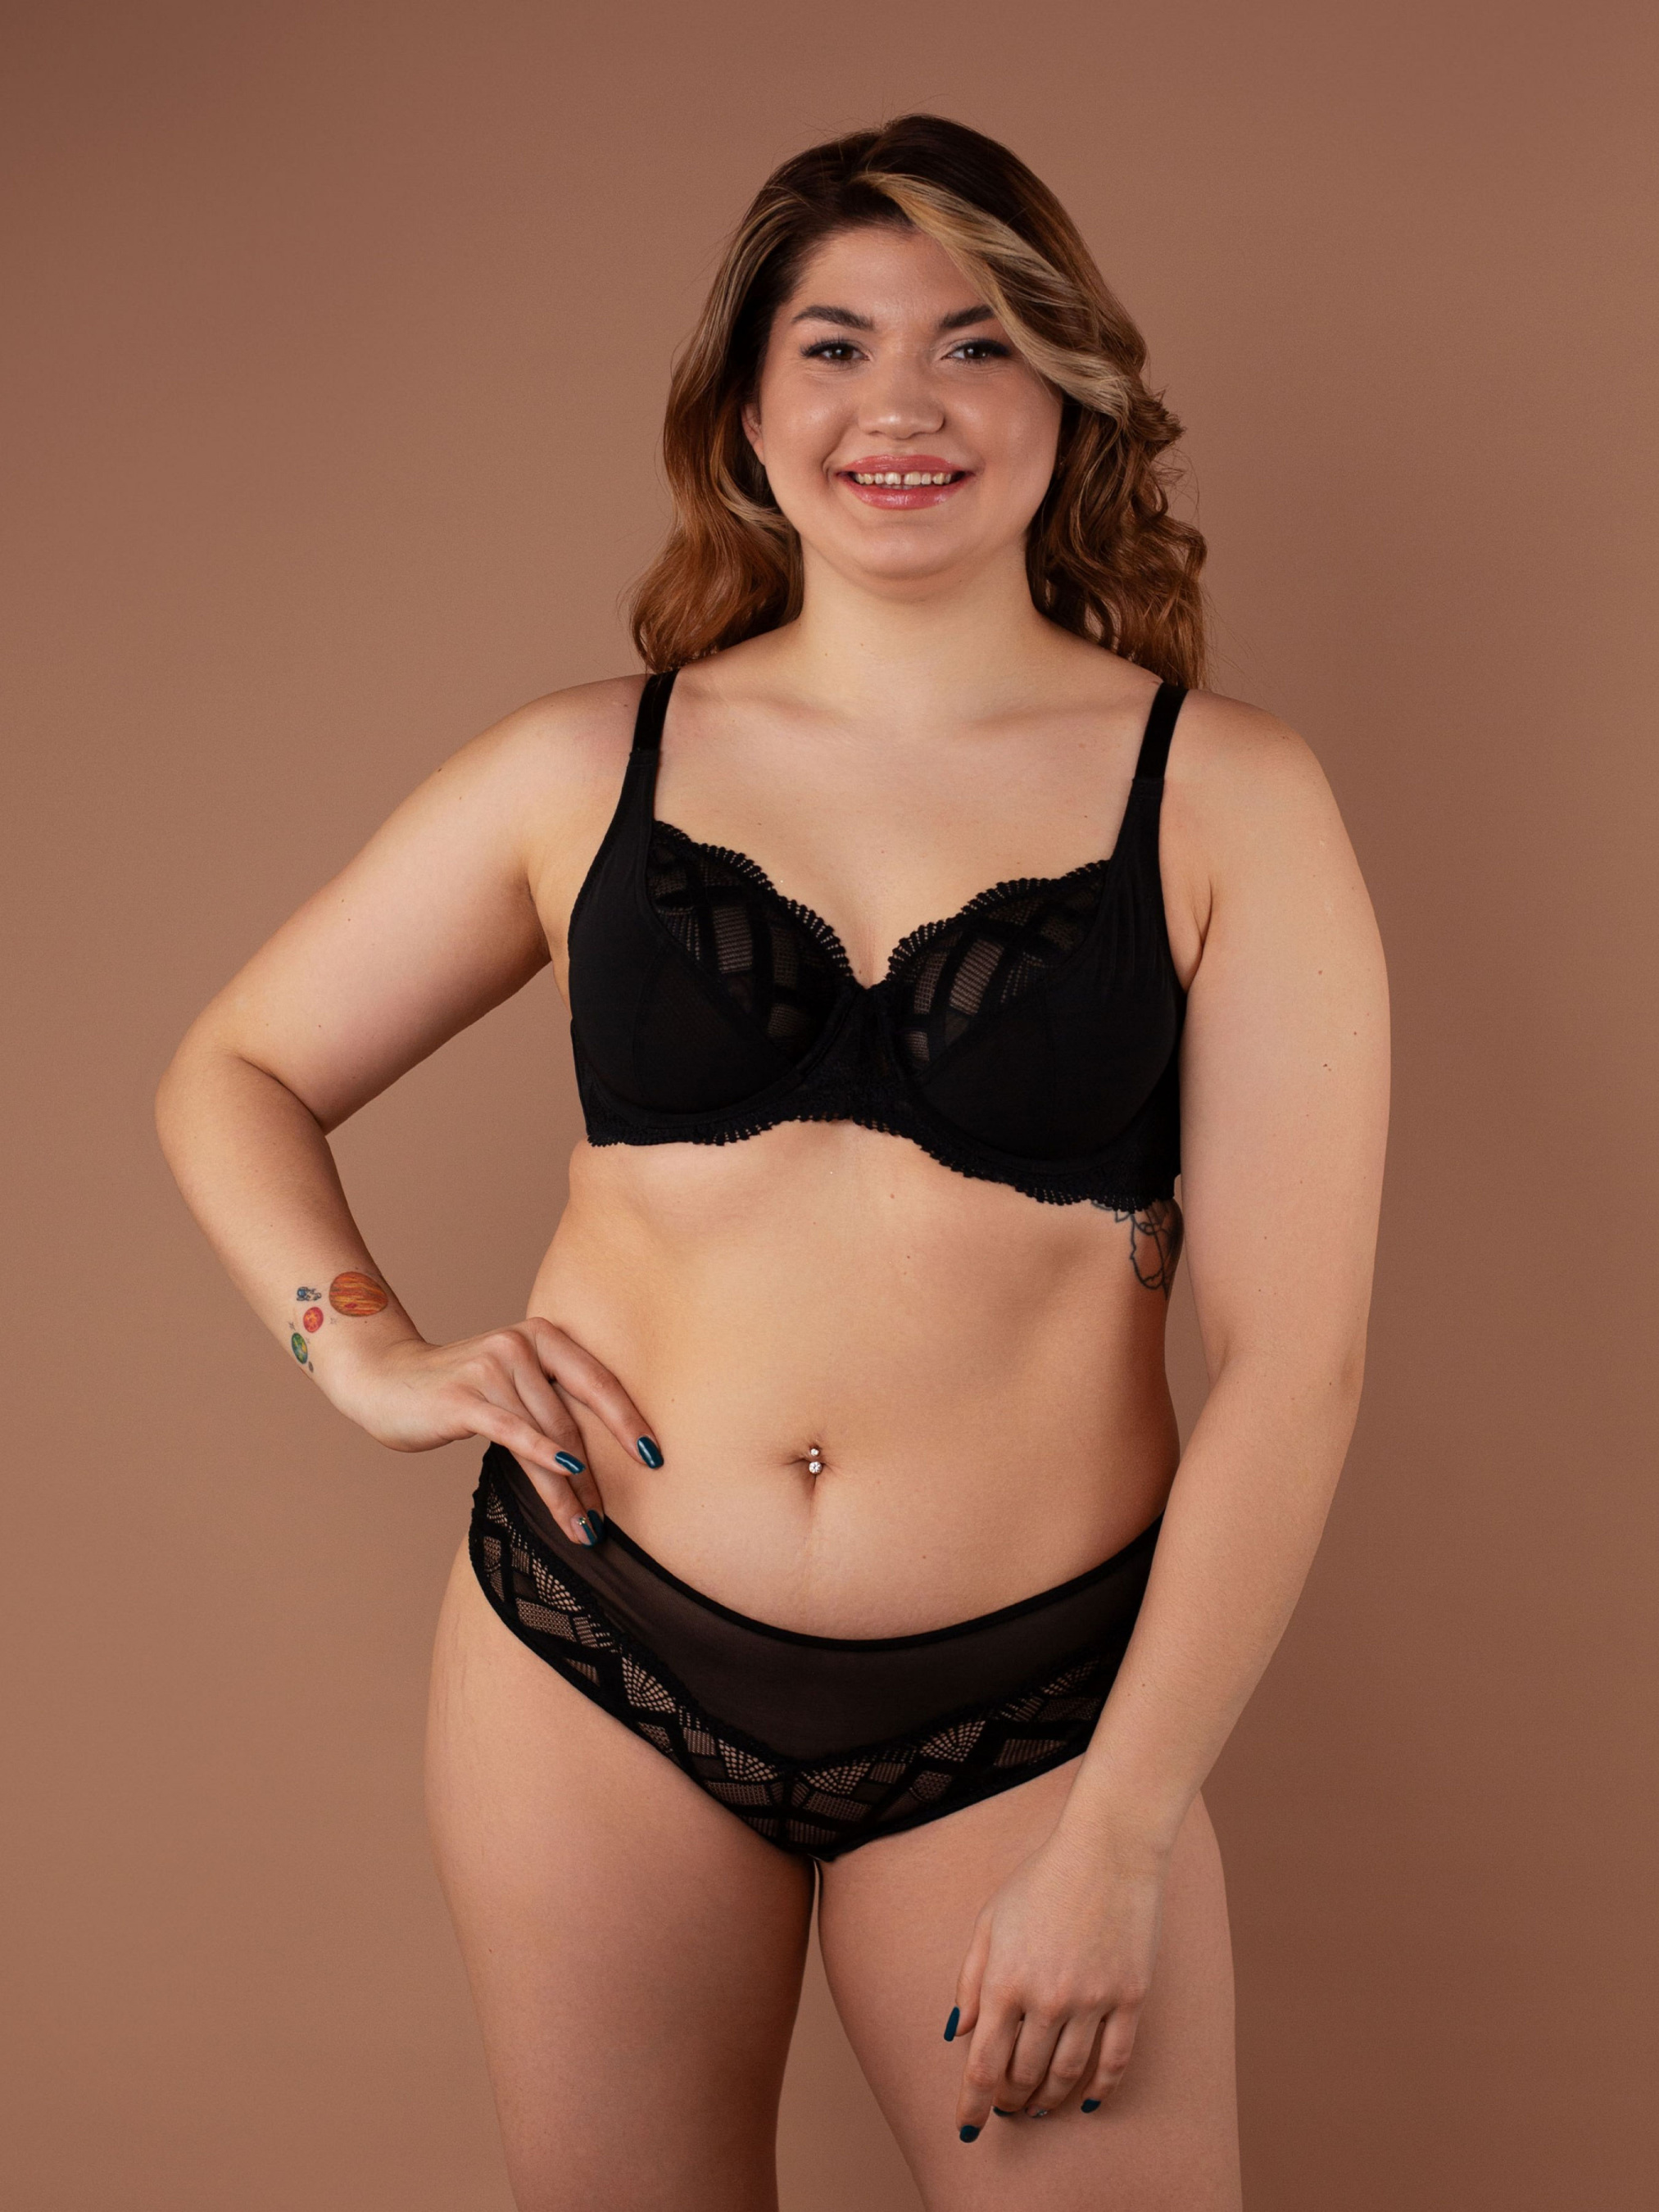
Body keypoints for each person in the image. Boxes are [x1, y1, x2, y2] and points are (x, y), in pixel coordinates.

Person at [156, 112, 1389, 2212]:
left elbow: (1295, 1368)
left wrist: (1115, 1833)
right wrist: (356, 1349)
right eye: (833, 347)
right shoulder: (581, 765)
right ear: (744, 410)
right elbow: (240, 1065)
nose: (900, 405)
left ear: (1066, 397)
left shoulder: (1226, 800)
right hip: (589, 1656)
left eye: (972, 343)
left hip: (1032, 1711)